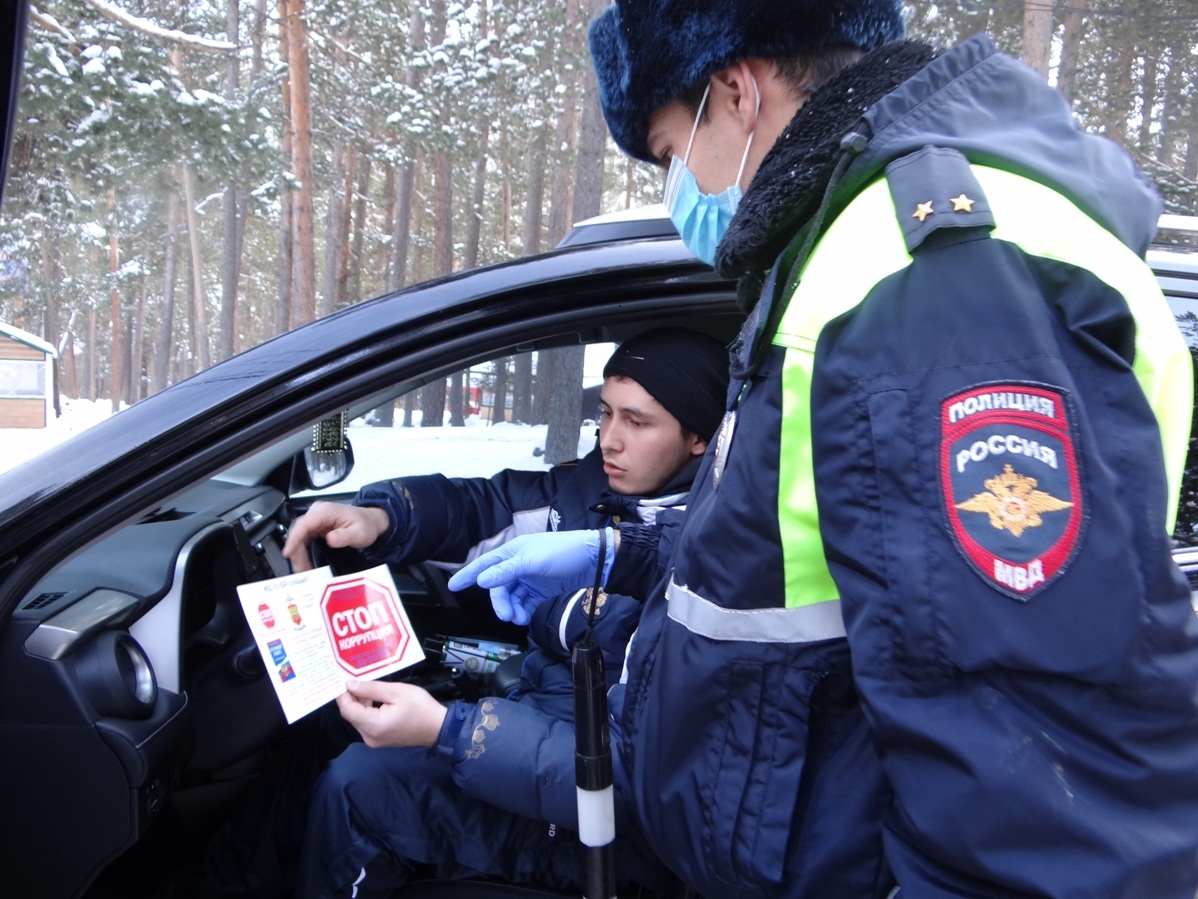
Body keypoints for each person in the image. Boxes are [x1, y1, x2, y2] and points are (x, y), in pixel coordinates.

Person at [450, 2, 1198, 897]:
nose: (675, 185)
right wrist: (630, 553)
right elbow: (817, 555)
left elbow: (1027, 781)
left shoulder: (932, 278)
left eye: (666, 153)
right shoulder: (849, 251)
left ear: (737, 90)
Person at [291, 327, 730, 898]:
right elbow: (487, 508)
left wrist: (450, 731)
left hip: (601, 823)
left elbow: (632, 772)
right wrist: (385, 518)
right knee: (330, 723)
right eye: (605, 413)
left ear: (698, 436)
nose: (609, 440)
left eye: (637, 422)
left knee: (357, 788)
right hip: (544, 732)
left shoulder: (719, 556)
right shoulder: (592, 492)